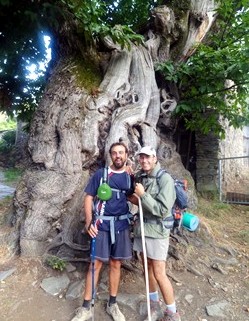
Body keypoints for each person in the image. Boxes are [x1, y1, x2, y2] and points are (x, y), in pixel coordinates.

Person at [71, 142, 133, 321]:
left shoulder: (130, 177)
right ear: (110, 156)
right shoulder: (101, 174)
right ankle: (85, 307)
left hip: (121, 226)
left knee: (115, 264)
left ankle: (112, 304)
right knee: (95, 265)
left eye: (121, 152)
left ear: (127, 154)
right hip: (102, 226)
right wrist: (89, 222)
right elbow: (89, 197)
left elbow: (133, 197)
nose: (118, 156)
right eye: (114, 153)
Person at [131, 146, 181, 321]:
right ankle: (154, 305)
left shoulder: (165, 179)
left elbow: (161, 209)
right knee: (147, 267)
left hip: (158, 231)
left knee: (159, 272)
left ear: (155, 159)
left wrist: (143, 195)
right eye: (141, 158)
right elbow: (136, 200)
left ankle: (173, 313)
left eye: (147, 157)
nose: (144, 161)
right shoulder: (140, 177)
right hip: (142, 229)